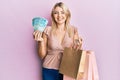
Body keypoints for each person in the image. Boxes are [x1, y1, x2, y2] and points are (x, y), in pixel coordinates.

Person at [33, 2, 82, 80]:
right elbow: (41, 56)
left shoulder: (73, 30)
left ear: (67, 14)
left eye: (62, 12)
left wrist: (79, 44)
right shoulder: (47, 30)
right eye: (56, 13)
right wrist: (40, 41)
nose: (59, 16)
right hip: (49, 69)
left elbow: (75, 51)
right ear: (53, 16)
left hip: (67, 69)